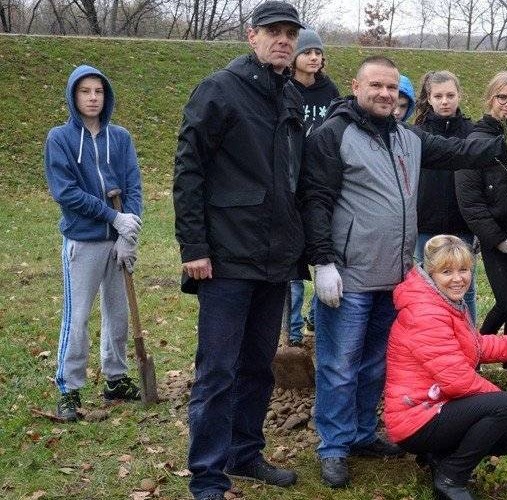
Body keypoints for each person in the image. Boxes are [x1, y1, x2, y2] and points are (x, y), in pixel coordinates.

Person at [299, 56, 507, 488]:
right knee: (340, 364)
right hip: (348, 275)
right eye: (375, 85)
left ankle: (360, 433)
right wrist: (321, 262)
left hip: (394, 277)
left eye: (392, 87)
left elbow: (460, 151)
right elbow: (316, 199)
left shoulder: (407, 137)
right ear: (356, 86)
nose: (384, 93)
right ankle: (334, 446)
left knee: (376, 364)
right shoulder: (333, 135)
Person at [173, 2, 306, 499]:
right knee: (218, 370)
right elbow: (189, 169)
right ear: (251, 36)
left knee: (257, 364)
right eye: (273, 32)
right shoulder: (220, 90)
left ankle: (244, 452)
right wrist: (194, 245)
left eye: (290, 34)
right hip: (226, 256)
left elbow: (292, 179)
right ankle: (207, 475)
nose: (283, 41)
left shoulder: (287, 95)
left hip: (274, 257)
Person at [385, 235, 507, 500]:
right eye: (447, 271)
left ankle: (438, 457)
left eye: (464, 270)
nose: (458, 278)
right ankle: (450, 478)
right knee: (503, 406)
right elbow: (458, 380)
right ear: (431, 272)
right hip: (416, 417)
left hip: (436, 405)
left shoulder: (444, 302)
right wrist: (498, 400)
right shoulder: (426, 313)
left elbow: (478, 347)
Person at [45, 64, 143, 422]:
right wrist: (110, 216)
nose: (92, 98)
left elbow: (132, 185)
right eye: (85, 91)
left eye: (98, 91)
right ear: (74, 96)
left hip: (117, 241)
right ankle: (69, 388)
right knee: (78, 317)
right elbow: (66, 192)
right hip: (83, 241)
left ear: (107, 96)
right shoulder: (61, 139)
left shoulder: (120, 138)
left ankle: (115, 378)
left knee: (118, 315)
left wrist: (128, 231)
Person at [455, 71, 507, 379]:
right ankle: (472, 355)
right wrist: (496, 238)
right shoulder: (475, 142)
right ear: (490, 99)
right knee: (506, 302)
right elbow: (471, 202)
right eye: (502, 97)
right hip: (498, 238)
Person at [288, 28, 341, 346]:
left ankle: (313, 316)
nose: (313, 57)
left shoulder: (329, 90)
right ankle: (291, 332)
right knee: (294, 265)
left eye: (318, 53)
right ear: (295, 56)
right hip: (292, 180)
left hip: (321, 179)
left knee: (324, 255)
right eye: (308, 52)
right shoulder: (285, 89)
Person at [413, 70, 477, 324]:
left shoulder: (472, 133)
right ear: (429, 98)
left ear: (459, 96)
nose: (444, 101)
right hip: (425, 223)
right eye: (438, 96)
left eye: (450, 95)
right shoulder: (416, 133)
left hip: (463, 224)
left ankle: (470, 345)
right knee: (427, 286)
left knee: (465, 288)